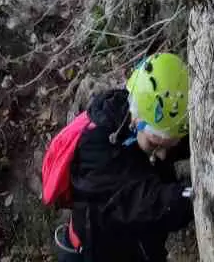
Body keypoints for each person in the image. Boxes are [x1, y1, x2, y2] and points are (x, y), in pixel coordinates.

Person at [69, 53, 194, 261]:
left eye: (168, 145)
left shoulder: (147, 117)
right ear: (136, 120)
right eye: (155, 144)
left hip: (137, 246)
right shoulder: (96, 150)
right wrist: (194, 195)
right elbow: (141, 204)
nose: (163, 154)